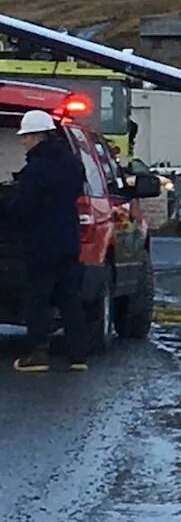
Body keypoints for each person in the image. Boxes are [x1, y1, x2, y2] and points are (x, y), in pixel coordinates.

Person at [10, 111, 86, 371]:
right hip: (68, 239)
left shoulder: (35, 170)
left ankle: (39, 353)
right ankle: (78, 355)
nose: (23, 142)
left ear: (35, 136)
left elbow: (22, 208)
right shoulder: (72, 164)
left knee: (37, 299)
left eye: (25, 137)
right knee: (69, 297)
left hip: (41, 244)